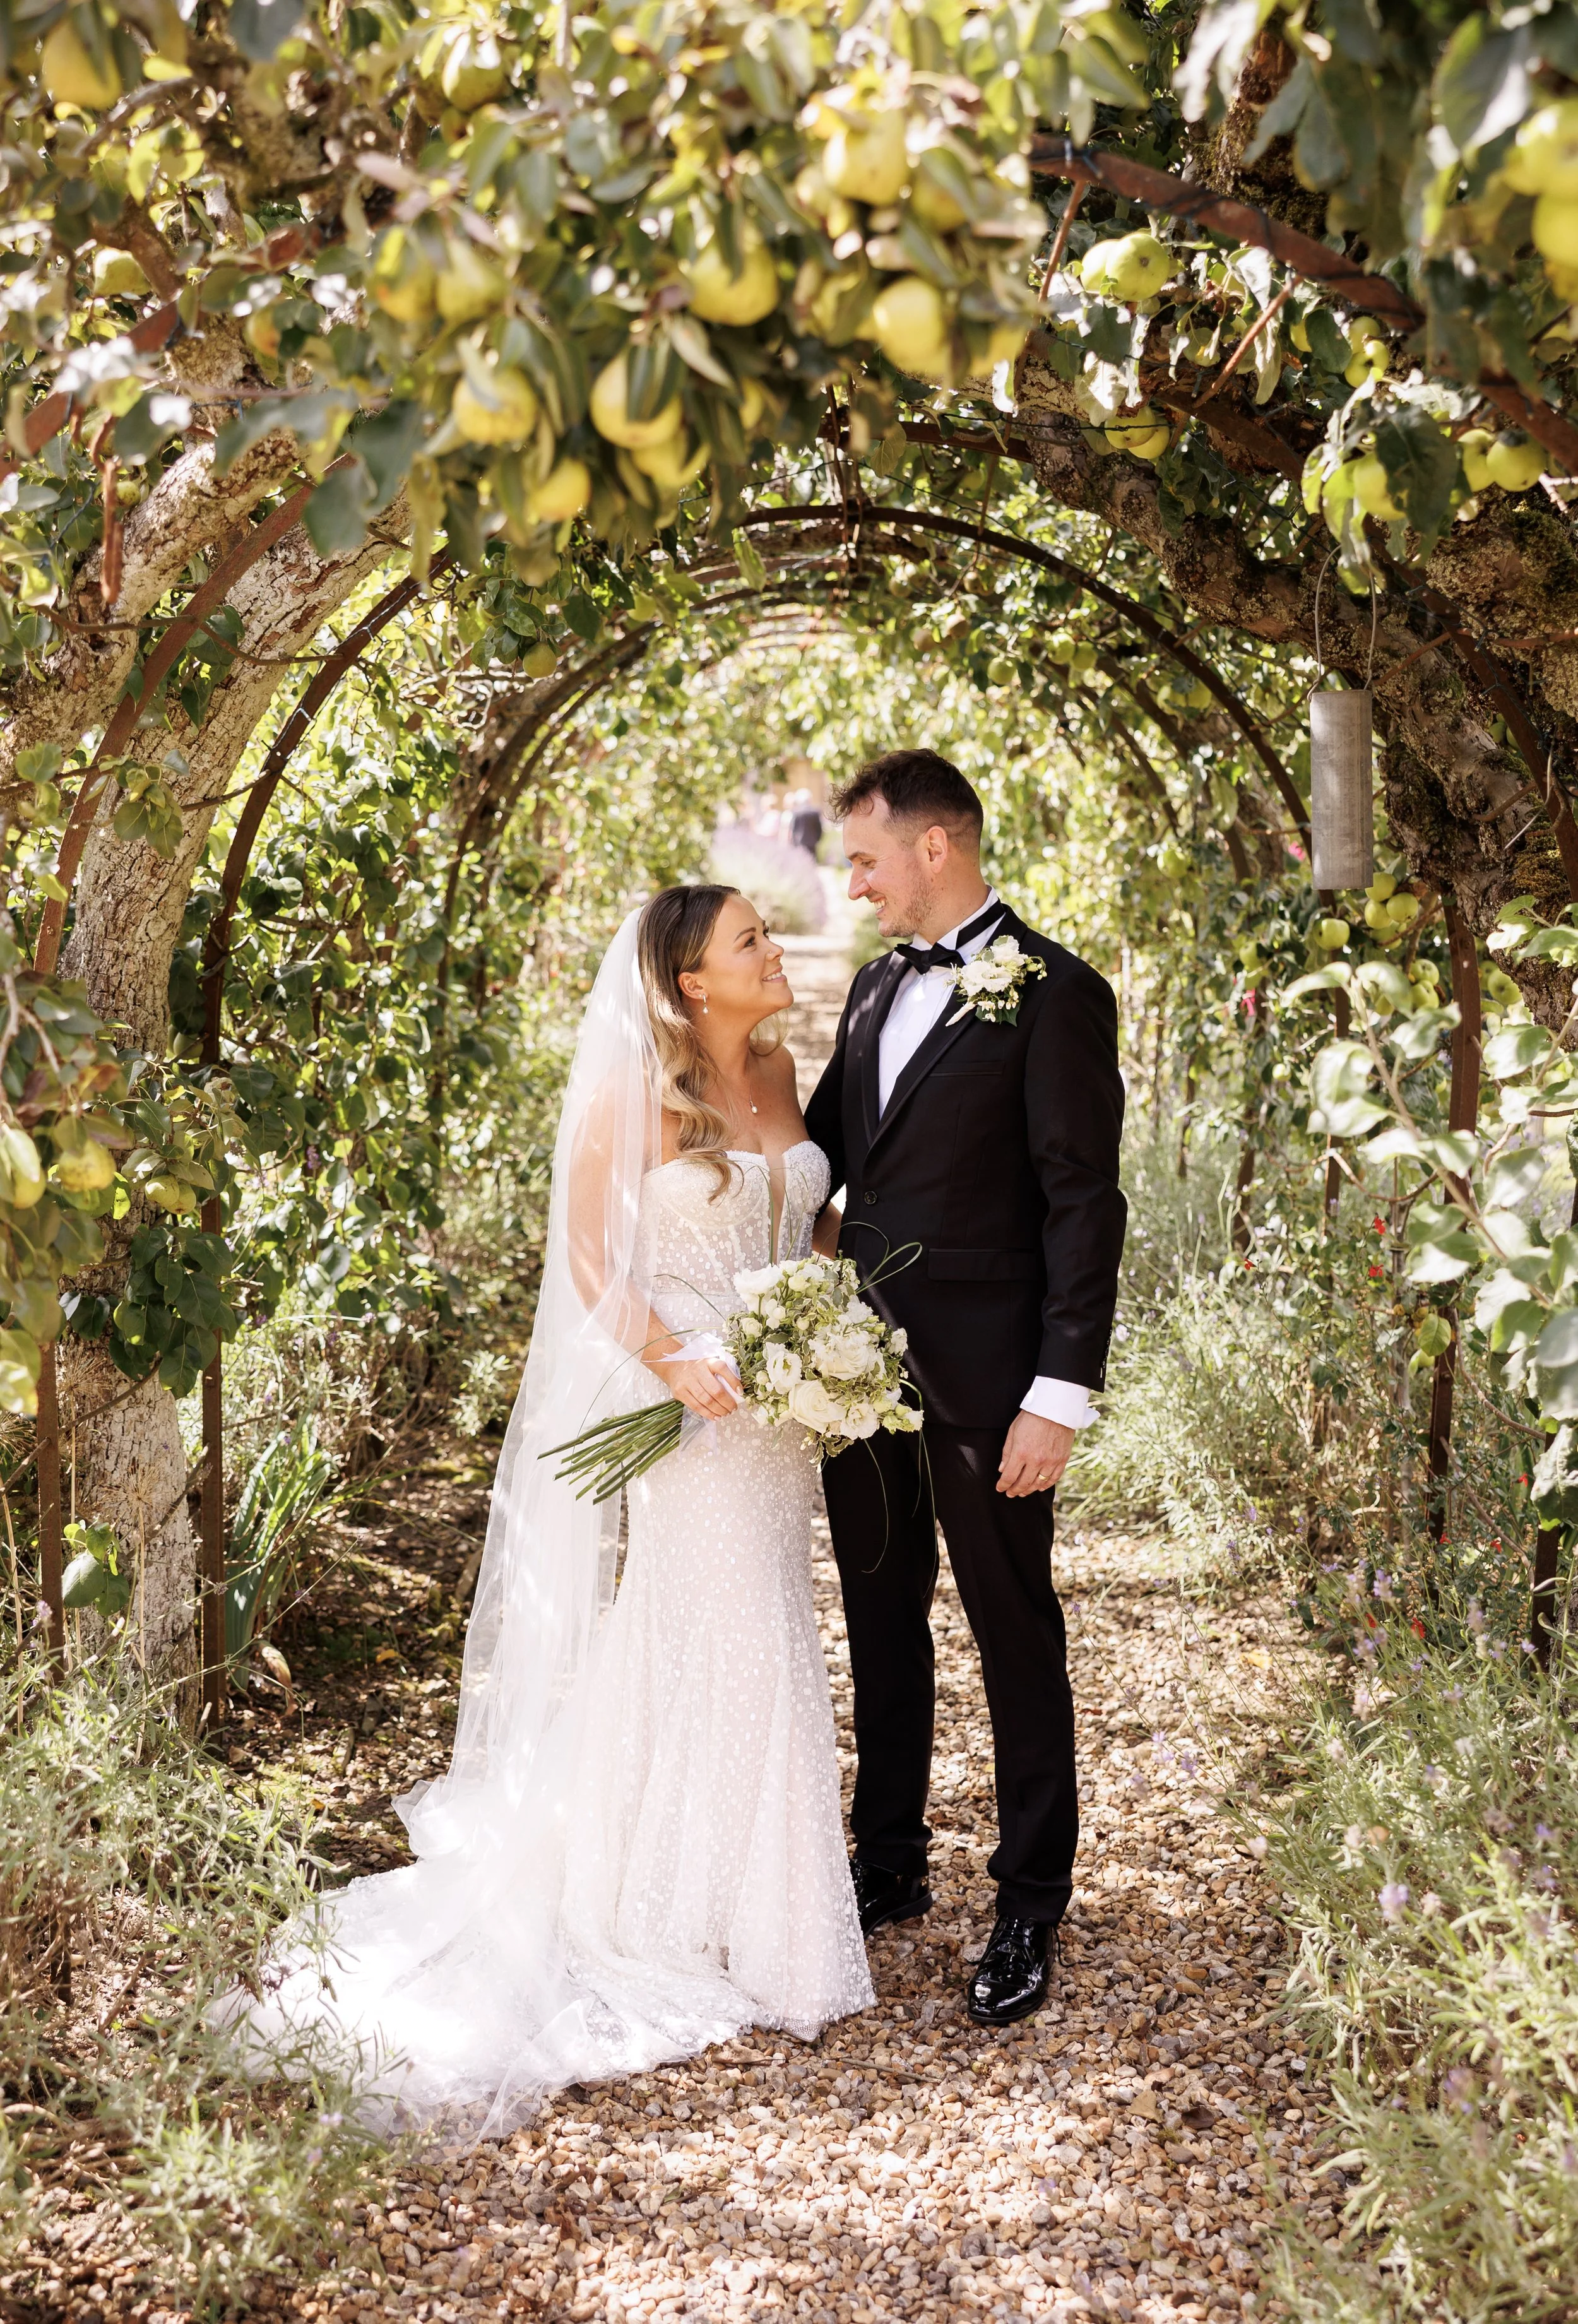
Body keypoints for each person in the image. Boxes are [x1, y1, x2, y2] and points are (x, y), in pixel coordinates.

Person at [223, 887, 871, 2132]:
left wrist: (825, 1314)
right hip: (686, 1407)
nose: (774, 950)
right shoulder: (640, 1086)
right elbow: (584, 1252)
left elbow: (810, 1214)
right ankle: (697, 1919)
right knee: (717, 1620)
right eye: (750, 939)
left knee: (758, 1624)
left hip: (780, 1408)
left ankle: (724, 1898)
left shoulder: (789, 1066)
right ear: (689, 980)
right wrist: (677, 1355)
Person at [805, 749, 1126, 2028]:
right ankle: (885, 1863)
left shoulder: (1055, 994)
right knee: (879, 1620)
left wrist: (1060, 1388)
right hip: (852, 1370)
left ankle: (1028, 1898)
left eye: (866, 860)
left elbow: (1080, 1203)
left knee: (1010, 1625)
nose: (857, 887)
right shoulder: (877, 983)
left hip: (994, 1374)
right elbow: (827, 1151)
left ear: (933, 845)